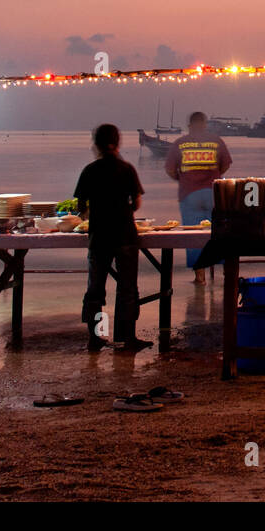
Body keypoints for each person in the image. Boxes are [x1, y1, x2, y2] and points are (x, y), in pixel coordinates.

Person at [74, 124, 150, 353]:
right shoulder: (127, 169)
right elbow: (136, 203)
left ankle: (96, 338)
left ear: (95, 144)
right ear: (118, 143)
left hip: (99, 236)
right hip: (126, 234)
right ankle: (128, 339)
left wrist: (94, 213)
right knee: (127, 288)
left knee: (95, 289)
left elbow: (81, 208)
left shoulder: (89, 170)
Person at [166, 111, 232, 282]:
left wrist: (183, 179)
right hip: (213, 194)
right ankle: (227, 275)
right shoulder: (216, 142)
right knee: (220, 234)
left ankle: (200, 276)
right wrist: (213, 175)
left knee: (194, 234)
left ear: (189, 126)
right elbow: (225, 165)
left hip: (189, 195)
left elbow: (170, 169)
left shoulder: (180, 144)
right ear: (205, 124)